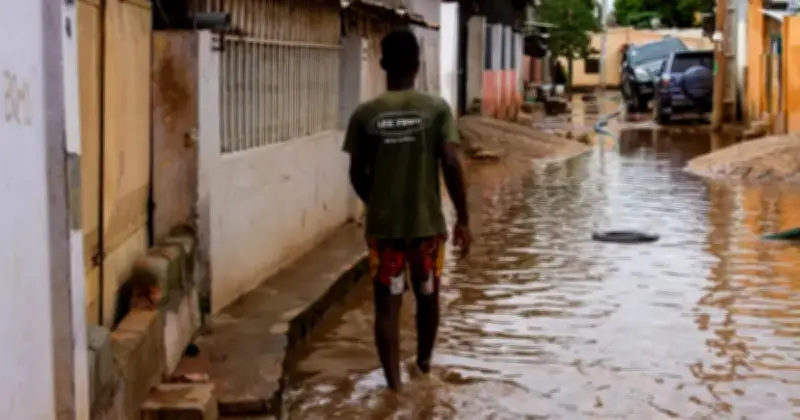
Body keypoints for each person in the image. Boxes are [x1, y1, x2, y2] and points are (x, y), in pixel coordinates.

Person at [342, 27, 472, 391]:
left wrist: (380, 203)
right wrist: (463, 219)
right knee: (428, 295)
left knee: (387, 306)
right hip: (427, 229)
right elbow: (450, 162)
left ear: (382, 64)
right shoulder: (436, 110)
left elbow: (356, 174)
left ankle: (394, 389)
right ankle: (425, 367)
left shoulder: (365, 115)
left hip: (384, 232)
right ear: (417, 64)